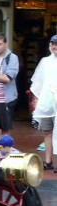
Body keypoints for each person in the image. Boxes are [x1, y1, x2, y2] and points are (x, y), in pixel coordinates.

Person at [30, 34, 57, 171]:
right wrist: (36, 98)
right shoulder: (45, 61)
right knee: (47, 132)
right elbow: (38, 81)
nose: (55, 47)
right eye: (53, 44)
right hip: (47, 102)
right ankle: (48, 160)